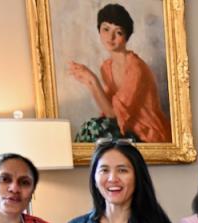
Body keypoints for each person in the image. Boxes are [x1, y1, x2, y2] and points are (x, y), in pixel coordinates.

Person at [68, 3, 172, 143]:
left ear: (126, 37)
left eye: (118, 32)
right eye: (106, 29)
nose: (110, 37)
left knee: (93, 128)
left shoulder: (136, 68)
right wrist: (89, 83)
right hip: (125, 128)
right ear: (99, 30)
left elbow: (113, 113)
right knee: (89, 127)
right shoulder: (106, 67)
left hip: (146, 133)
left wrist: (92, 81)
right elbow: (108, 110)